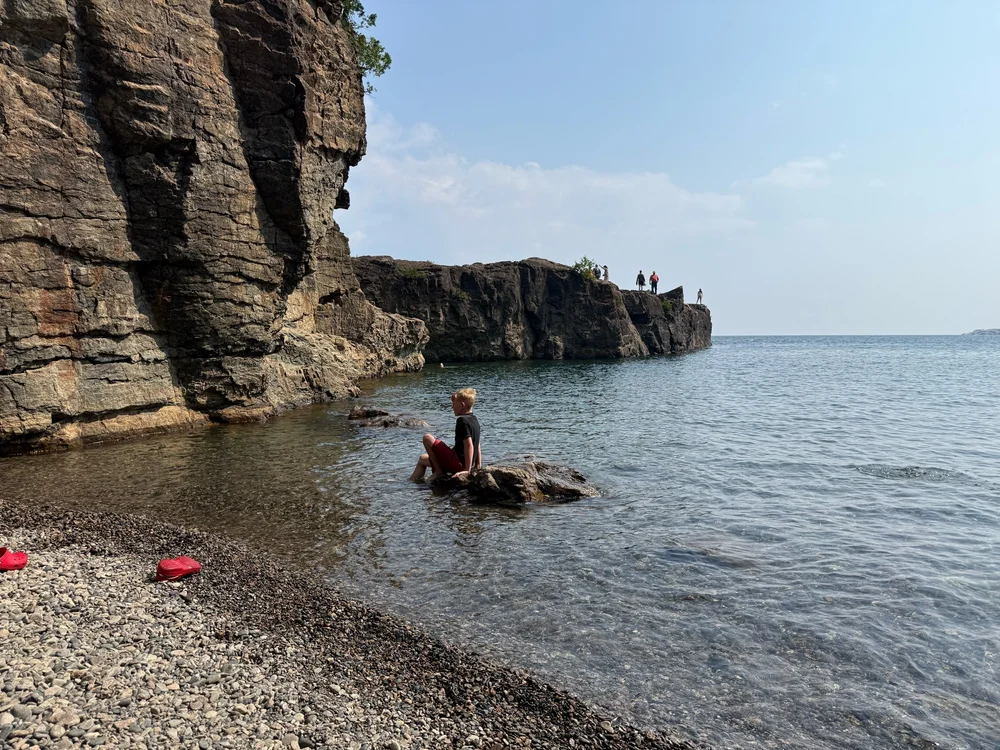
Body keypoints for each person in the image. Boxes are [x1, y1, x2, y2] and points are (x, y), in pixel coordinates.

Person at [409, 387, 482, 482]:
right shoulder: (474, 420)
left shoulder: (462, 420)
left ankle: (438, 471)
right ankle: (412, 483)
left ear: (462, 405)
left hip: (457, 463)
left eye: (454, 404)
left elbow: (469, 445)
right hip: (461, 462)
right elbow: (477, 443)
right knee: (423, 459)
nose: (452, 407)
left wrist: (467, 471)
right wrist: (477, 465)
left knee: (427, 438)